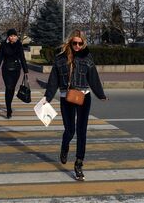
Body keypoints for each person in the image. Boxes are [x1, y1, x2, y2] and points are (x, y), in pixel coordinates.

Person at [42, 29, 108, 181]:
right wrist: (47, 97)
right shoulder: (60, 59)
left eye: (80, 43)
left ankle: (79, 164)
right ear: (70, 42)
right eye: (74, 43)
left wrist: (101, 94)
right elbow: (53, 81)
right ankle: (64, 147)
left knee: (82, 132)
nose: (77, 46)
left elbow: (93, 78)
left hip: (84, 97)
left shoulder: (87, 57)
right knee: (70, 130)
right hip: (67, 98)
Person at [0, 29, 28, 119]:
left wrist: (26, 70)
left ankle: (9, 104)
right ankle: (8, 109)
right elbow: (0, 56)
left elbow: (22, 58)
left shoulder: (19, 44)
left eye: (14, 36)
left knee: (12, 88)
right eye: (11, 36)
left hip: (16, 69)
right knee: (8, 87)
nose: (13, 37)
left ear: (16, 36)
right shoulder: (3, 44)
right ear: (8, 37)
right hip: (6, 69)